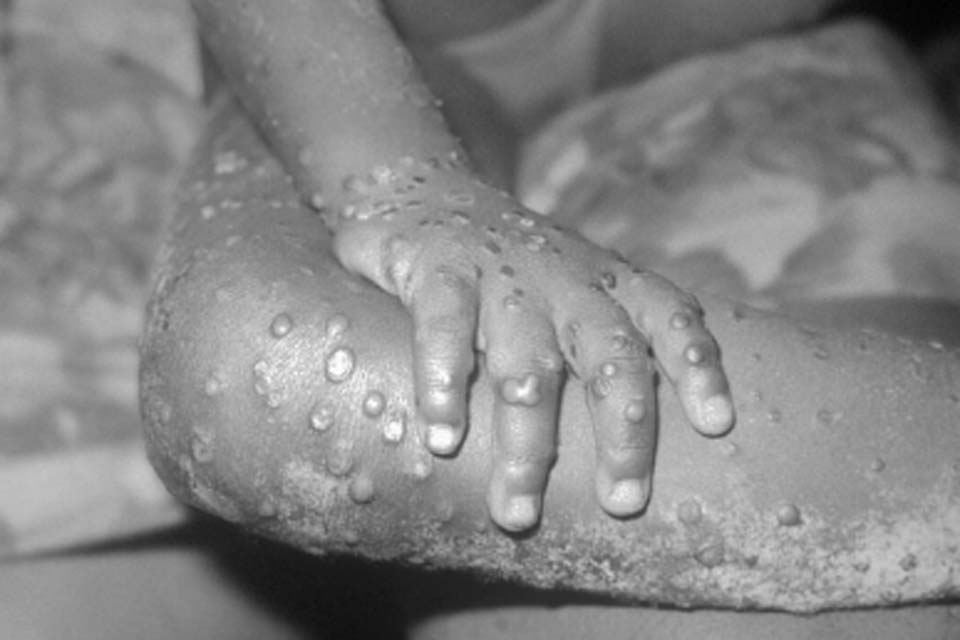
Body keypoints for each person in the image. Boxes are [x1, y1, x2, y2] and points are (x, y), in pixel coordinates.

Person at [141, 0, 960, 615]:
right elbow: (254, 373)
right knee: (285, 369)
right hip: (375, 55)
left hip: (743, 46)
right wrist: (404, 180)